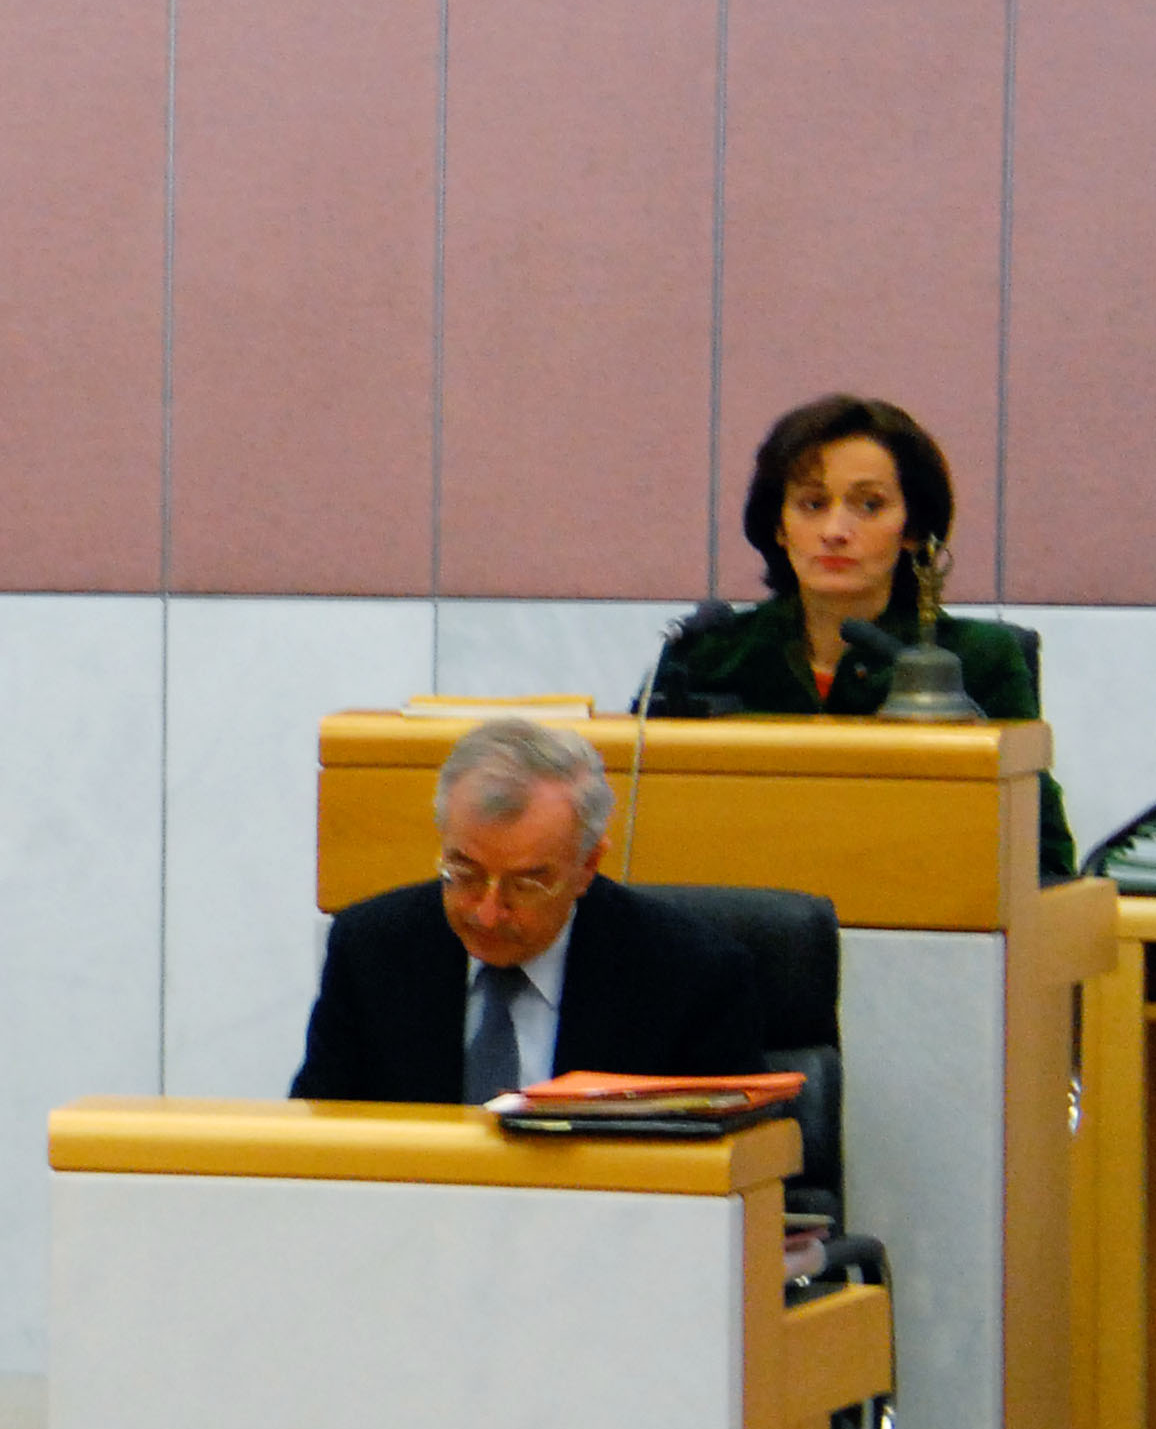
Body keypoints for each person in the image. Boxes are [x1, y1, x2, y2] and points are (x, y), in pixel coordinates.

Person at [647, 393, 1074, 873]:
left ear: (913, 530)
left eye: (869, 505)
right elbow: (639, 821)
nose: (835, 530)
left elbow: (1043, 859)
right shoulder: (709, 650)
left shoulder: (976, 659)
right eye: (812, 504)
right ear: (779, 527)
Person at [292, 717, 765, 1104]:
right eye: (465, 873)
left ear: (587, 866)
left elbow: (734, 1164)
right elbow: (318, 1142)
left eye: (526, 884)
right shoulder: (372, 950)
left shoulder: (691, 977)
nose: (488, 912)